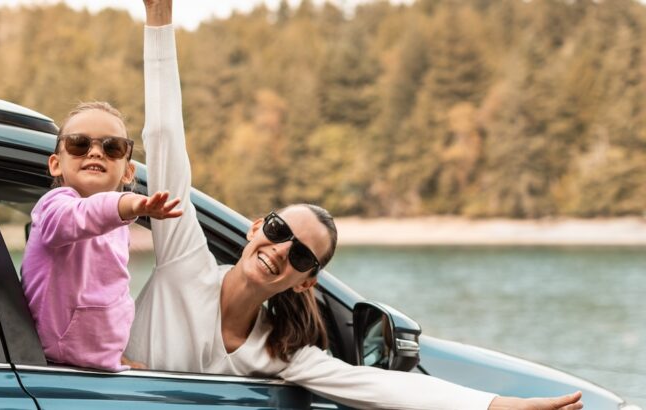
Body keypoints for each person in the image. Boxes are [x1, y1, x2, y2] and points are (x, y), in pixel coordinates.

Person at [125, 1, 584, 409]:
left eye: (301, 255)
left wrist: (496, 406)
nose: (282, 249)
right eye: (280, 230)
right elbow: (165, 142)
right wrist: (159, 17)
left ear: (305, 282)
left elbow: (382, 388)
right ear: (254, 228)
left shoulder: (280, 353)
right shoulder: (183, 261)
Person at [21, 101, 182, 371]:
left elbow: (112, 296)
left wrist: (116, 356)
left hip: (97, 370)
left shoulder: (117, 226)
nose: (95, 152)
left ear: (128, 171)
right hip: (57, 368)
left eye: (112, 147)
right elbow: (80, 217)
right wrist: (127, 204)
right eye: (79, 144)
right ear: (55, 164)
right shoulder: (54, 206)